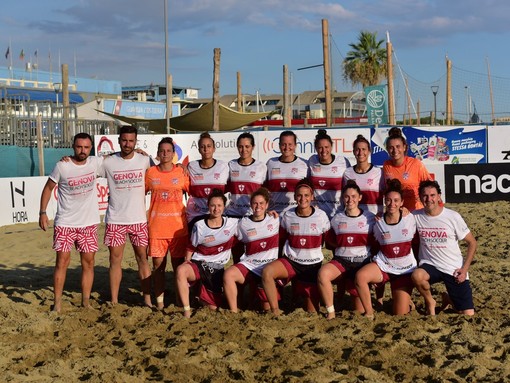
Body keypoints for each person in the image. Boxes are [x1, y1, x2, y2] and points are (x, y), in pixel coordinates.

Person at [38, 133, 103, 312]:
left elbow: (120, 159)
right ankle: (57, 303)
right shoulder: (62, 165)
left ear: (91, 148)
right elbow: (48, 188)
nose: (83, 151)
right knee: (62, 262)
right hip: (65, 223)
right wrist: (43, 212)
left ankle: (86, 302)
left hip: (88, 223)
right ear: (73, 146)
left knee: (88, 263)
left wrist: (137, 151)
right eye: (79, 147)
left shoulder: (96, 163)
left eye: (86, 147)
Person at [262, 178, 330, 316]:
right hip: (291, 262)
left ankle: (302, 294)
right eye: (299, 195)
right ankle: (275, 312)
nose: (302, 198)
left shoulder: (321, 216)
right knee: (267, 272)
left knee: (311, 311)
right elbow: (281, 238)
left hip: (312, 265)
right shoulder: (288, 215)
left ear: (312, 197)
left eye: (306, 195)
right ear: (294, 197)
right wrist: (267, 215)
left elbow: (327, 241)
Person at [102, 125, 153, 307]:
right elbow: (84, 167)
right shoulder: (107, 162)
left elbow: (164, 168)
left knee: (143, 260)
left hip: (138, 220)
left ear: (136, 141)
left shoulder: (144, 160)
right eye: (124, 140)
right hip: (115, 220)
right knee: (115, 261)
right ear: (118, 140)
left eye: (131, 141)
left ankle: (147, 300)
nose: (127, 144)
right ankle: (114, 301)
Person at [412, 180, 477, 316]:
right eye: (425, 196)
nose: (429, 199)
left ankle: (448, 298)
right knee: (417, 275)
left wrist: (464, 270)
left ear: (439, 196)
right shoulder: (415, 216)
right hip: (430, 265)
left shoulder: (452, 216)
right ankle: (431, 301)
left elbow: (472, 243)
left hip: (453, 268)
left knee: (467, 314)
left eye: (432, 195)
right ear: (420, 197)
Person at [355, 179, 417, 318]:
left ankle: (406, 300)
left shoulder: (410, 218)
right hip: (384, 266)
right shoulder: (377, 221)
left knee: (399, 313)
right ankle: (369, 313)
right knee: (361, 277)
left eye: (396, 200)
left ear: (402, 202)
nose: (392, 204)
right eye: (388, 200)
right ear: (384, 201)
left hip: (404, 270)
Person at [318, 180, 376, 319]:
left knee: (358, 309)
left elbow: (377, 241)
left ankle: (370, 312)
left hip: (361, 263)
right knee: (323, 274)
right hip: (342, 261)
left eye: (354, 196)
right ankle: (331, 312)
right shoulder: (336, 219)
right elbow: (331, 240)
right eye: (347, 197)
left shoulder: (370, 218)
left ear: (360, 197)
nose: (350, 200)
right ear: (342, 199)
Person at [176, 189, 238, 318]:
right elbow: (191, 247)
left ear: (224, 206)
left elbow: (254, 220)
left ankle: (199, 294)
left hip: (216, 269)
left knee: (213, 308)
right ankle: (187, 311)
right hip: (199, 263)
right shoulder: (199, 226)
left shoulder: (232, 223)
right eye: (213, 205)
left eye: (219, 205)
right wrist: (187, 261)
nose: (216, 209)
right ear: (208, 206)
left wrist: (270, 214)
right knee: (181, 270)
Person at [145, 137, 190, 309]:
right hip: (156, 228)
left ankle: (180, 301)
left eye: (168, 151)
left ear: (173, 154)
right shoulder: (150, 173)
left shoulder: (182, 173)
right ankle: (160, 303)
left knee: (178, 268)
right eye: (162, 151)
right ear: (157, 153)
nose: (165, 154)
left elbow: (195, 191)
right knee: (158, 268)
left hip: (178, 229)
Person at [223, 187, 279, 313]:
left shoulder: (275, 219)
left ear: (267, 205)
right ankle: (233, 312)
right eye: (255, 203)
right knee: (228, 275)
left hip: (267, 268)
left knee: (266, 307)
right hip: (249, 265)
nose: (258, 206)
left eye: (261, 203)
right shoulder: (243, 223)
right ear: (250, 205)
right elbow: (228, 235)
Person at [225, 132, 267, 264]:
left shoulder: (261, 167)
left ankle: (253, 283)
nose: (244, 150)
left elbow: (265, 193)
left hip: (252, 216)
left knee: (252, 253)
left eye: (247, 146)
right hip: (234, 216)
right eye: (241, 147)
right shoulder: (230, 165)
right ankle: (237, 284)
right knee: (236, 255)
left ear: (253, 147)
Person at [186, 132, 229, 231]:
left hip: (216, 215)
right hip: (196, 215)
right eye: (202, 146)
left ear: (214, 148)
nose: (206, 149)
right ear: (199, 150)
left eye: (209, 146)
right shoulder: (191, 166)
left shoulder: (223, 166)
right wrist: (180, 165)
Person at [383, 127, 432, 212]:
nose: (395, 150)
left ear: (404, 147)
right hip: (396, 213)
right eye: (391, 147)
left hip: (416, 211)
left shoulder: (416, 164)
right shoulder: (386, 166)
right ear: (387, 149)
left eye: (398, 146)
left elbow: (431, 186)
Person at [308, 129, 350, 218]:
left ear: (331, 147)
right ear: (315, 148)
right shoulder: (312, 161)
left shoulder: (343, 162)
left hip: (337, 214)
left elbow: (349, 188)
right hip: (317, 215)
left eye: (326, 147)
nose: (324, 151)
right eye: (320, 148)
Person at [265, 130, 308, 214]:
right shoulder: (270, 163)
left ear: (295, 145)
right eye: (283, 144)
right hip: (274, 214)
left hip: (295, 214)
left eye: (290, 144)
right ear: (279, 146)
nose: (287, 147)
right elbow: (265, 189)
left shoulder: (304, 164)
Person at [343, 134, 385, 216]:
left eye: (363, 149)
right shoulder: (347, 173)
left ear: (369, 151)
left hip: (375, 218)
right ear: (354, 152)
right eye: (357, 149)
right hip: (354, 219)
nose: (360, 152)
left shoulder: (379, 172)